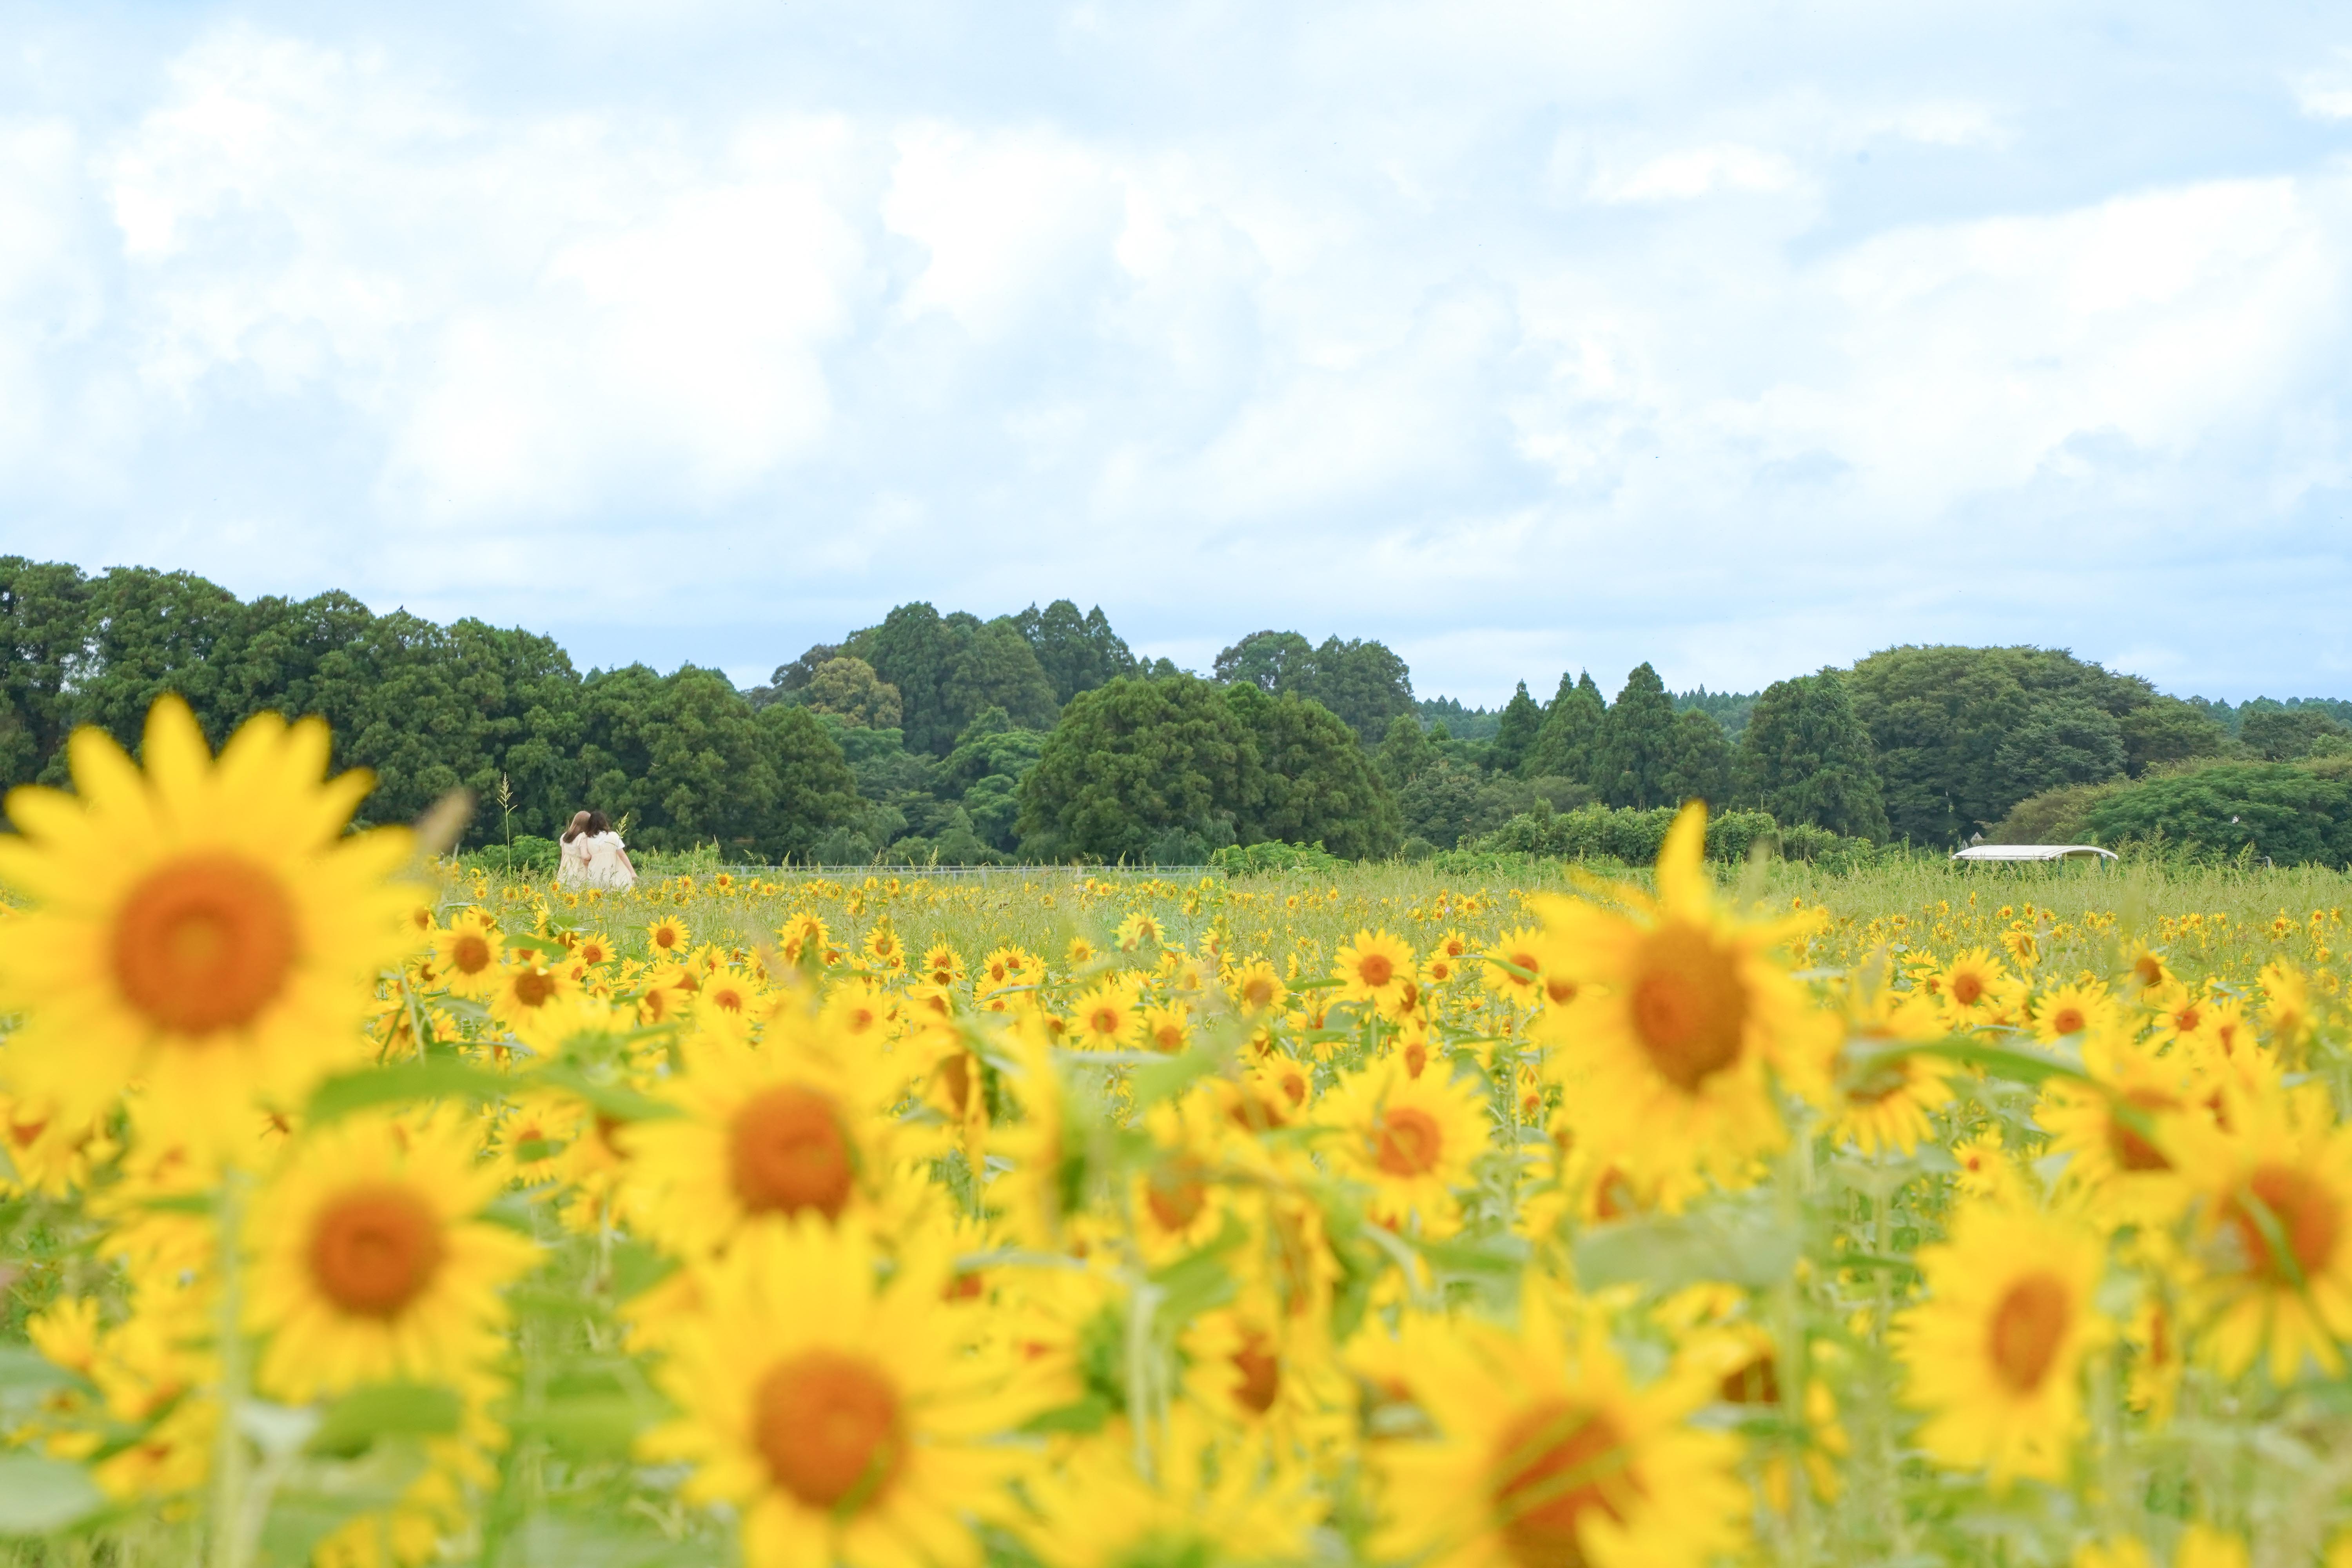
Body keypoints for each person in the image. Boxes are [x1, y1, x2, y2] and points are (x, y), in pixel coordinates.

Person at [557, 809, 637, 891]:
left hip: (566, 870)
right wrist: (591, 857)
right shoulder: (584, 838)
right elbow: (585, 857)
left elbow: (563, 857)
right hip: (580, 871)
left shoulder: (564, 837)